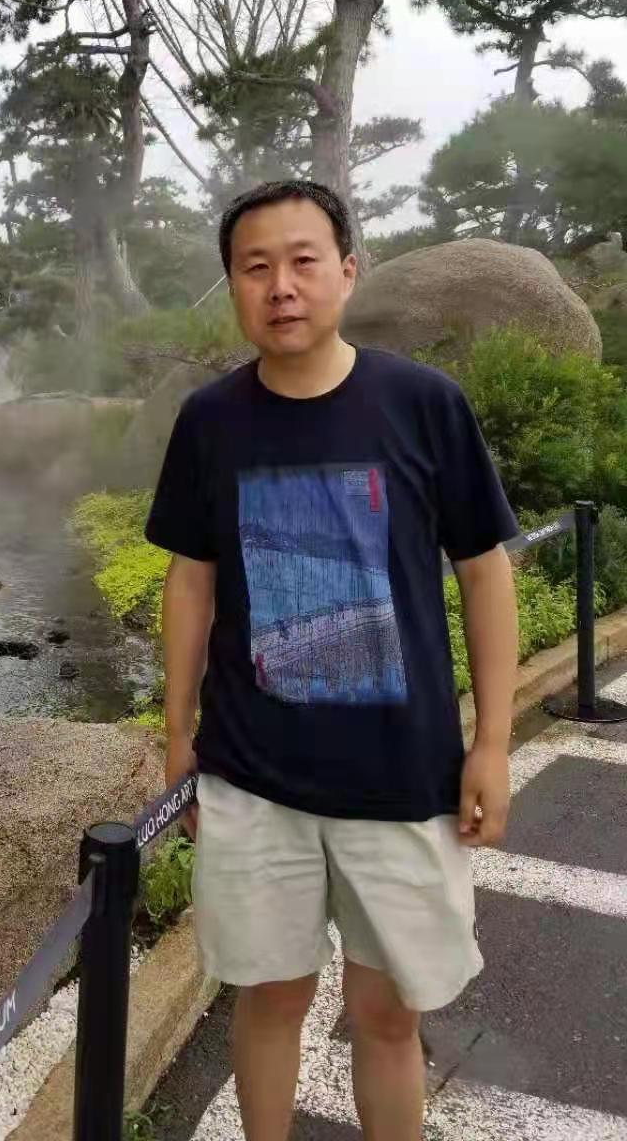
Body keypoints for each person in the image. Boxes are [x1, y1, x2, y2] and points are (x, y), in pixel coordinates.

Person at [146, 179, 519, 1141]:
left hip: (404, 777)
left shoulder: (423, 404)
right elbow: (191, 579)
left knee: (387, 1015)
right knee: (268, 999)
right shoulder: (210, 420)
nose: (281, 285)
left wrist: (491, 743)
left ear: (348, 272)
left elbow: (485, 572)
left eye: (303, 261)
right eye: (255, 267)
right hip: (253, 776)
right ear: (234, 287)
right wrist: (178, 731)